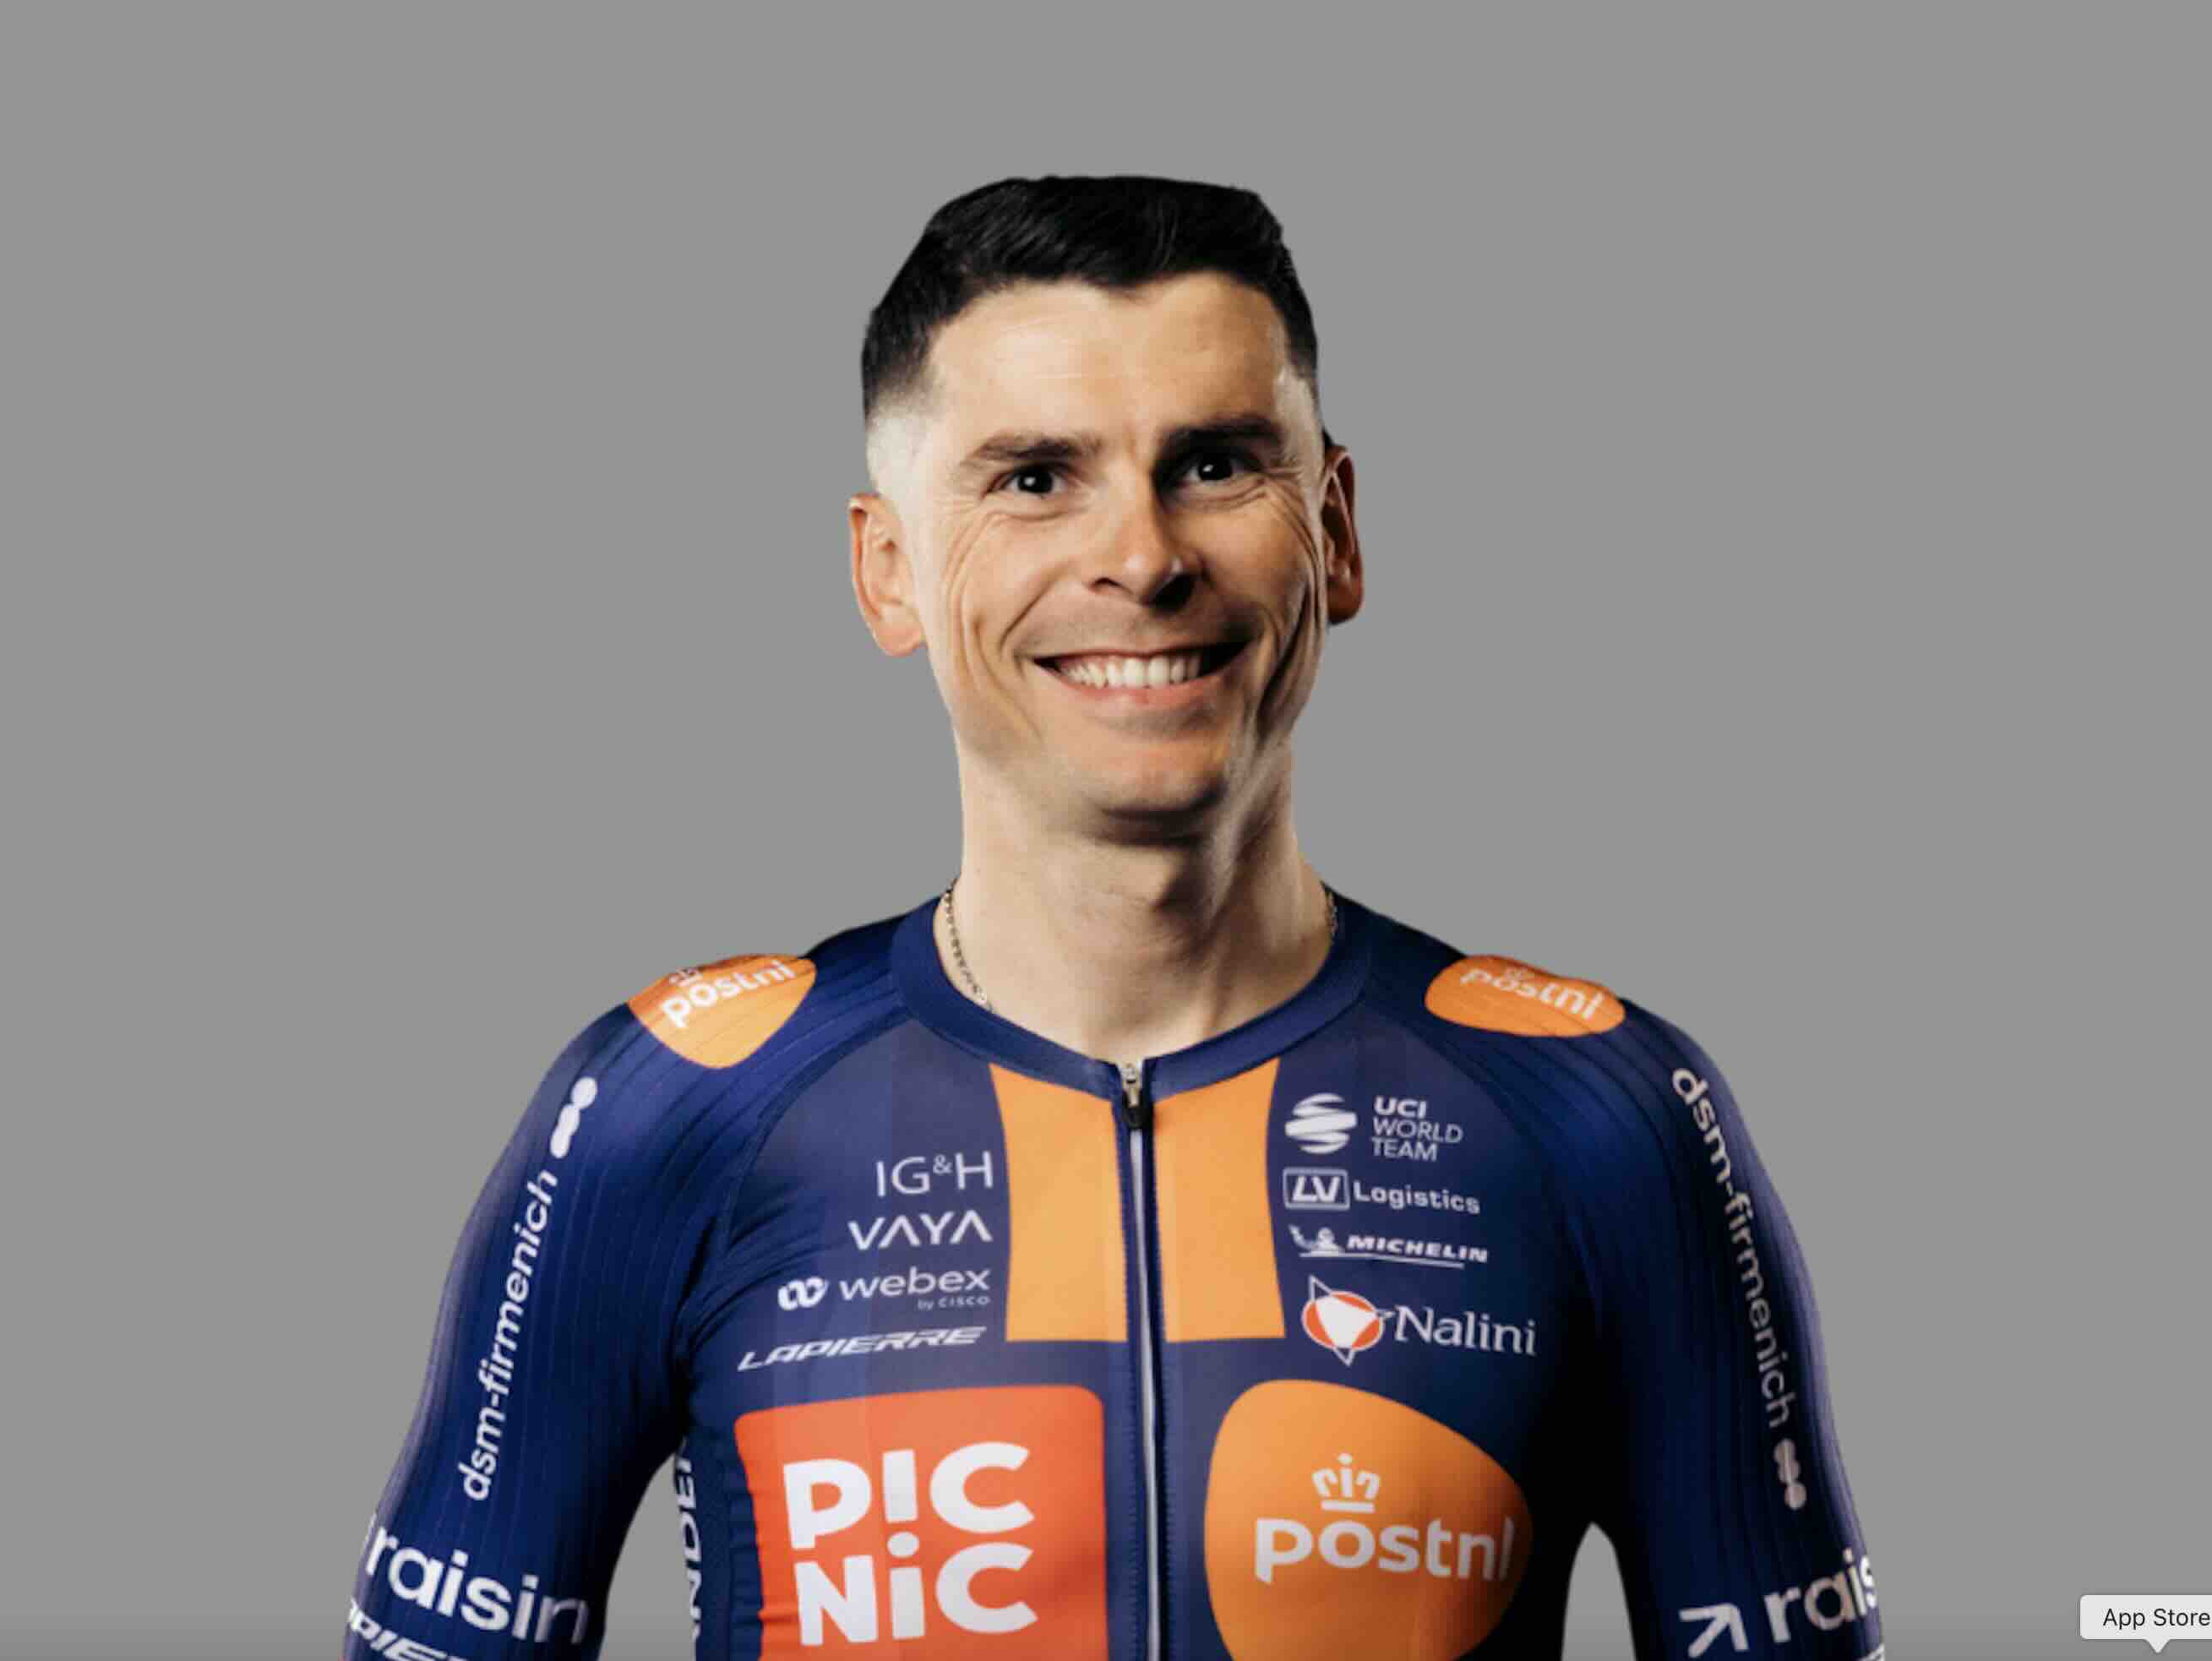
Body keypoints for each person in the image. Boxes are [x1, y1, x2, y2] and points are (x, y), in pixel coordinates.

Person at [343, 174, 1881, 1661]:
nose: (1141, 558)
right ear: (887, 571)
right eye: (1032, 478)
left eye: (1213, 463)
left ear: (1336, 529)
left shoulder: (1599, 1111)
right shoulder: (671, 1107)